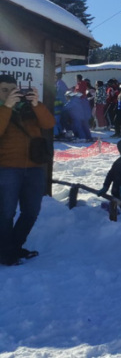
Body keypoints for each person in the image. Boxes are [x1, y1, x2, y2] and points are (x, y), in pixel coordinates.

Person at [0, 76, 56, 266]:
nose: (9, 93)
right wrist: (7, 107)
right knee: (6, 213)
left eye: (12, 89)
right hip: (7, 168)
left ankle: (12, 248)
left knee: (31, 211)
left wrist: (36, 104)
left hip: (34, 168)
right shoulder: (2, 110)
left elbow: (49, 124)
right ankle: (6, 251)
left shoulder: (29, 109)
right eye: (4, 90)